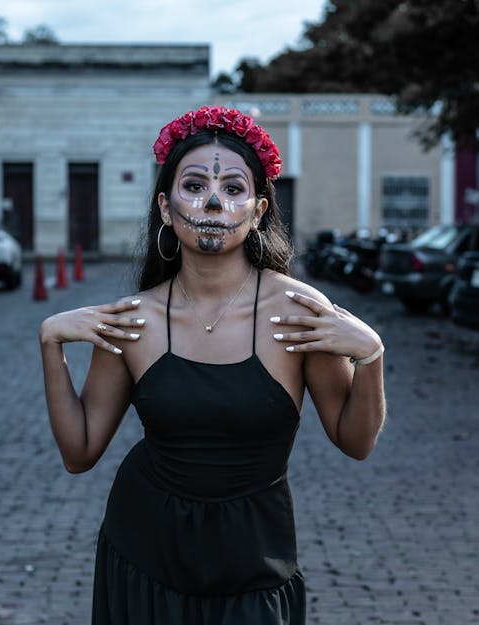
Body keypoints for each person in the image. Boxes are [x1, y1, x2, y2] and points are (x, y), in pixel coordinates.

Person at [39, 105, 386, 625]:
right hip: (143, 560)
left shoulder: (298, 313)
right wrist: (51, 344)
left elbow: (355, 442)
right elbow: (80, 451)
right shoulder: (133, 321)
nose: (213, 202)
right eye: (195, 185)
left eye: (233, 189)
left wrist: (372, 355)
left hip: (255, 563)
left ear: (259, 208)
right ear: (165, 206)